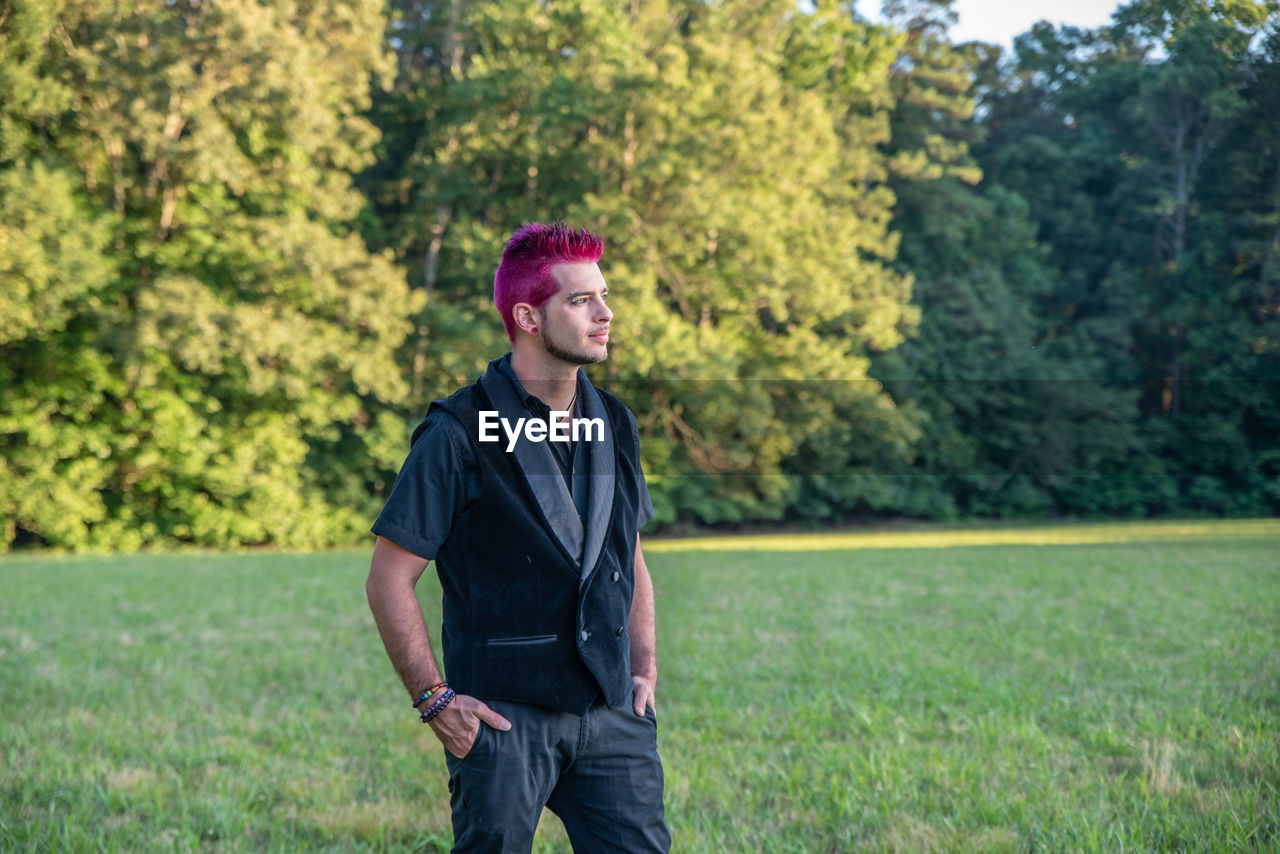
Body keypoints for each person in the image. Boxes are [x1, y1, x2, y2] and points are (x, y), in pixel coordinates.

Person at [365, 222, 670, 853]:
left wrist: (642, 667)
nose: (605, 313)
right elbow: (389, 579)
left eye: (604, 296)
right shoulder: (456, 432)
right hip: (502, 720)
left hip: (611, 714)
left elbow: (627, 551)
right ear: (529, 317)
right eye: (581, 301)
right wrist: (434, 701)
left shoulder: (615, 422)